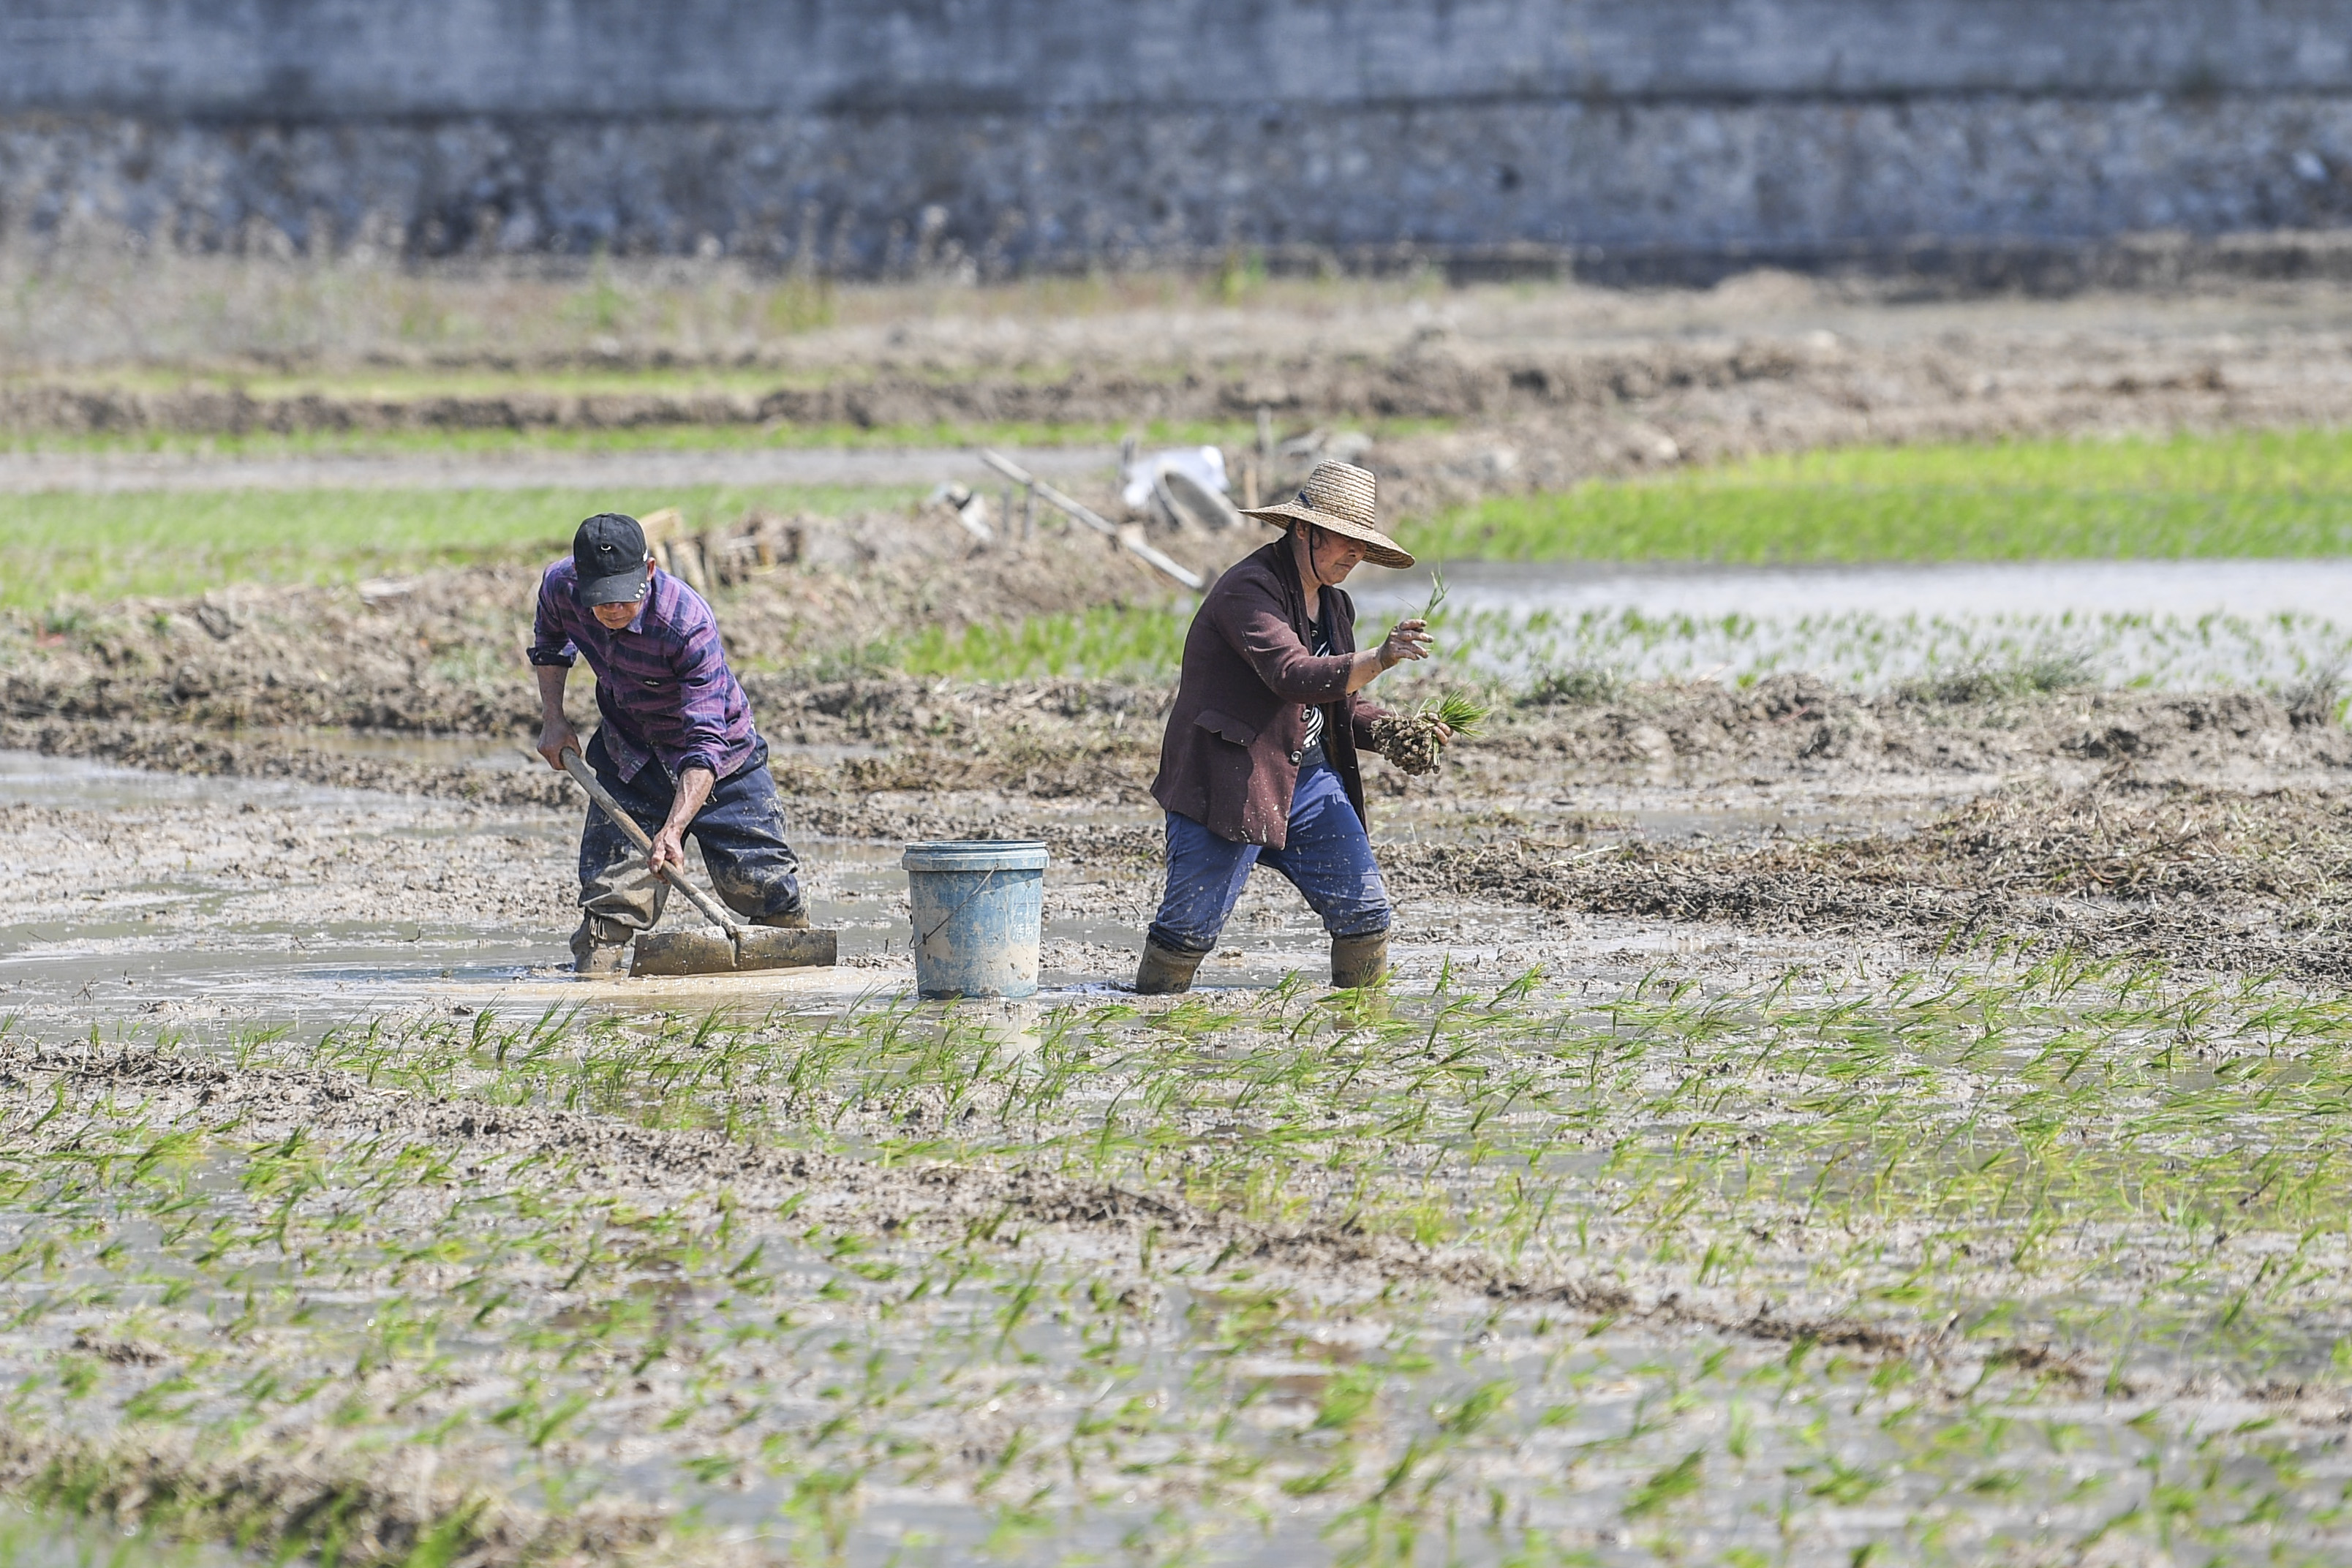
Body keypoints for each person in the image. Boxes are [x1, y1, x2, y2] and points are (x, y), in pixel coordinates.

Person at [1137, 460, 1436, 995]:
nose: (1354, 553)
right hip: (1230, 783)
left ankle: (1359, 1029)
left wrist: (1397, 732)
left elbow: (1338, 702)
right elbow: (1293, 675)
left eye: (1361, 543)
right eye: (1344, 539)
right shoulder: (1248, 591)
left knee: (1365, 917)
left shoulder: (1335, 605)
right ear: (1304, 529)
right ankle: (1153, 1026)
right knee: (1186, 936)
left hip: (1309, 780)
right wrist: (1381, 656)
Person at [528, 512, 808, 976]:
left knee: (763, 885)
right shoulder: (560, 586)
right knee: (610, 901)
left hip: (721, 756)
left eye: (625, 599)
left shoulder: (687, 624)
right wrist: (553, 720)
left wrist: (674, 828)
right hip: (631, 750)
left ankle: (792, 962)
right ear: (580, 582)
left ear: (650, 571)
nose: (614, 611)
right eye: (601, 602)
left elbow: (704, 742)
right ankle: (597, 981)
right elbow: (551, 642)